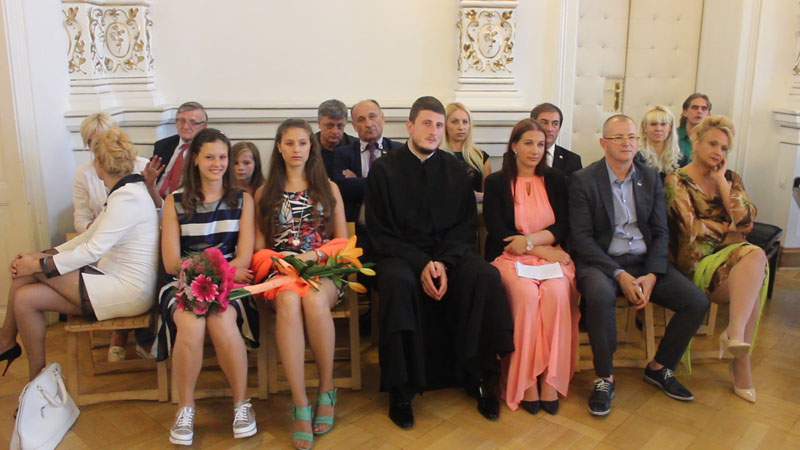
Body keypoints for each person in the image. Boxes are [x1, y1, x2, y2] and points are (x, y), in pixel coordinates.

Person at [365, 96, 514, 429]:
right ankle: (401, 391)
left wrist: (443, 263)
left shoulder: (455, 170)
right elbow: (380, 231)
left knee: (484, 276)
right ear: (410, 126)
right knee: (397, 283)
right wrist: (421, 263)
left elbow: (465, 227)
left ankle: (479, 377)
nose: (433, 131)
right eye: (426, 123)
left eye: (438, 125)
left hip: (449, 254)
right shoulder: (384, 170)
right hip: (400, 255)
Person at [569, 114, 708, 417]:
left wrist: (652, 274)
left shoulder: (650, 177)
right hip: (602, 262)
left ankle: (660, 367)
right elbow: (581, 240)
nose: (627, 143)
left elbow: (660, 231)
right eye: (618, 137)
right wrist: (619, 275)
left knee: (696, 301)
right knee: (599, 295)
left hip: (645, 262)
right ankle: (605, 377)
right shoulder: (583, 180)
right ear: (603, 143)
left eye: (632, 137)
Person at [0, 128, 159, 380]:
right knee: (25, 298)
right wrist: (39, 255)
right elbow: (86, 237)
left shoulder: (127, 197)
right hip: (114, 281)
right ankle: (37, 379)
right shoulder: (126, 191)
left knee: (26, 271)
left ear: (99, 164)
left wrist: (38, 264)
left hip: (129, 291)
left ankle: (6, 341)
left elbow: (92, 249)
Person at [152, 128, 257, 446]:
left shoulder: (243, 200)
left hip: (228, 284)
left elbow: (244, 257)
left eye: (222, 157)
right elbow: (172, 262)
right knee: (192, 324)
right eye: (209, 157)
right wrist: (210, 273)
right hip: (183, 283)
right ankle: (185, 407)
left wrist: (221, 275)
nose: (217, 164)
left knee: (223, 321)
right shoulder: (175, 201)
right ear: (195, 159)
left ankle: (241, 404)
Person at [255, 118, 347, 450]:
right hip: (280, 272)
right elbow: (257, 248)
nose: (297, 149)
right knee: (289, 300)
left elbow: (343, 242)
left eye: (303, 143)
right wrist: (279, 262)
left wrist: (313, 257)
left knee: (313, 299)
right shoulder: (264, 192)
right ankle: (300, 403)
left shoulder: (329, 188)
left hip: (322, 268)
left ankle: (326, 388)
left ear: (312, 147)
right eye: (290, 143)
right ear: (279, 147)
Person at [665, 115, 766, 403]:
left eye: (724, 148)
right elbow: (691, 231)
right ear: (695, 142)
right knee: (753, 268)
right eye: (712, 144)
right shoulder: (676, 180)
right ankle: (740, 363)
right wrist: (729, 231)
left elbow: (745, 222)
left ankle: (735, 336)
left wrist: (722, 182)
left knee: (754, 257)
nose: (717, 152)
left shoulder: (731, 178)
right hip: (693, 263)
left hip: (732, 260)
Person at [484, 119, 579, 415]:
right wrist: (535, 248)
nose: (535, 150)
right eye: (528, 143)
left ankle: (550, 377)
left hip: (552, 256)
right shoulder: (496, 182)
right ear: (514, 145)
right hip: (509, 257)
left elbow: (563, 225)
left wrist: (532, 243)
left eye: (540, 144)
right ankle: (524, 381)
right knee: (525, 295)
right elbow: (499, 231)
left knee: (557, 293)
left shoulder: (556, 180)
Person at [72, 112, 149, 233]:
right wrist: (98, 229)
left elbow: (157, 210)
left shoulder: (142, 165)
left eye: (103, 140)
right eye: (93, 142)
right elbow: (81, 219)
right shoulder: (82, 173)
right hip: (100, 234)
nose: (97, 147)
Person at [332, 99, 403, 222]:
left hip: (394, 225)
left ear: (382, 118)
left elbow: (402, 188)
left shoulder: (400, 151)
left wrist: (357, 181)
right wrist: (385, 182)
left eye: (372, 116)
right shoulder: (342, 154)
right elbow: (341, 187)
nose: (368, 123)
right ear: (354, 126)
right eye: (361, 119)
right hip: (358, 227)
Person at [149, 101, 209, 207]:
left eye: (192, 122)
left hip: (186, 205)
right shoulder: (163, 145)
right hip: (153, 202)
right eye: (181, 121)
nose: (185, 127)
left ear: (203, 126)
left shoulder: (208, 151)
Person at [443, 102, 491, 201]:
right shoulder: (436, 155)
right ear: (445, 124)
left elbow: (489, 198)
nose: (461, 127)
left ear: (469, 125)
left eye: (465, 122)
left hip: (474, 209)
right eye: (454, 122)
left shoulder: (481, 157)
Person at [531, 103, 582, 176]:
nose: (549, 129)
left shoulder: (572, 160)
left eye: (555, 124)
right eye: (544, 123)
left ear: (559, 128)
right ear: (532, 125)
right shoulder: (519, 158)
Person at [636, 105, 686, 179]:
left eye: (663, 124)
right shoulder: (635, 157)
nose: (658, 129)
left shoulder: (681, 160)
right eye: (653, 124)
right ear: (645, 127)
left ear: (670, 127)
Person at [314, 99, 358, 178]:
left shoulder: (356, 147)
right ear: (319, 123)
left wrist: (356, 179)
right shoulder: (307, 146)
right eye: (329, 125)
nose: (335, 131)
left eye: (340, 126)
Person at [677, 93, 711, 163]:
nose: (699, 111)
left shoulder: (712, 139)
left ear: (708, 114)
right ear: (685, 112)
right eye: (695, 108)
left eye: (704, 108)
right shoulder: (672, 136)